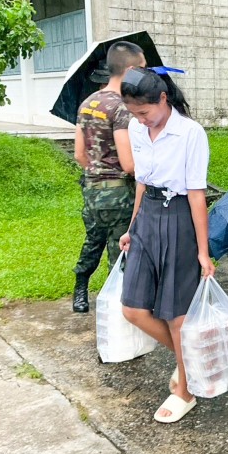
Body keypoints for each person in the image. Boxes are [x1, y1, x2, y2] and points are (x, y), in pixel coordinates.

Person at [118, 67, 216, 423]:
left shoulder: (190, 133)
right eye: (134, 114)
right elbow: (141, 183)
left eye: (145, 112)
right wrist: (132, 227)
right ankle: (189, 361)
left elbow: (196, 193)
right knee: (133, 308)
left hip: (178, 217)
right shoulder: (136, 128)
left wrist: (203, 252)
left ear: (162, 98)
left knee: (177, 314)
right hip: (147, 216)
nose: (140, 120)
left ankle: (185, 391)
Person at [71, 41, 146, 313]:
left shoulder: (88, 102)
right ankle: (118, 309)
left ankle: (81, 289)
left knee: (93, 240)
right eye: (143, 69)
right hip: (119, 193)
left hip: (92, 190)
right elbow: (128, 163)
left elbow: (79, 154)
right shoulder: (123, 107)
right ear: (130, 71)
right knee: (120, 249)